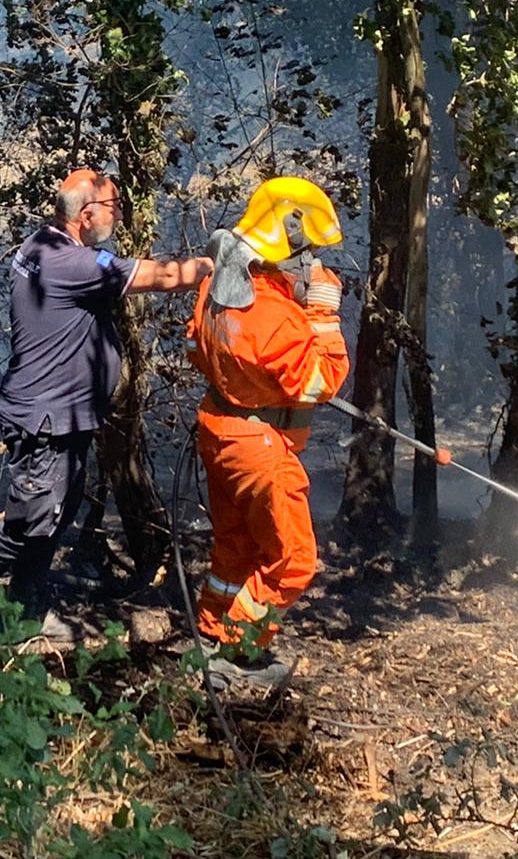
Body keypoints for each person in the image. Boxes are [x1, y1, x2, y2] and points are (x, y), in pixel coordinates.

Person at [0, 168, 213, 644]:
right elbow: (161, 276)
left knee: (52, 516)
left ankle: (23, 614)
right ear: (86, 214)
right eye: (113, 206)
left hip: (61, 415)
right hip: (46, 420)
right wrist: (213, 264)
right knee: (27, 521)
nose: (119, 213)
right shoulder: (74, 265)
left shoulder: (43, 244)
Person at [184, 176, 351, 692]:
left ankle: (211, 638)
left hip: (220, 430)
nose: (314, 264)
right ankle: (239, 651)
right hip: (259, 448)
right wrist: (323, 312)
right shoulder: (277, 318)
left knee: (235, 550)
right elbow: (322, 382)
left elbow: (196, 348)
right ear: (289, 246)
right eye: (311, 253)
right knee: (294, 560)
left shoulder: (221, 287)